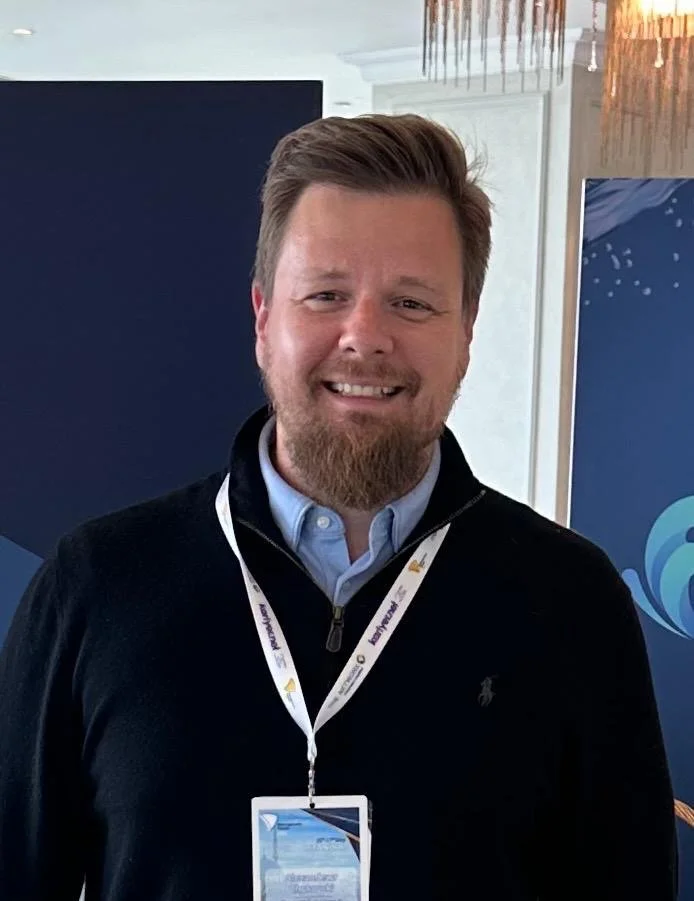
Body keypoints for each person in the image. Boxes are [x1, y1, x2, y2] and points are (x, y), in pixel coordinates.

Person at [0, 113, 678, 900]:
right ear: (263, 319)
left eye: (413, 303)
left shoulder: (572, 602)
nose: (365, 336)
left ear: (466, 334)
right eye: (325, 294)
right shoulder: (95, 587)